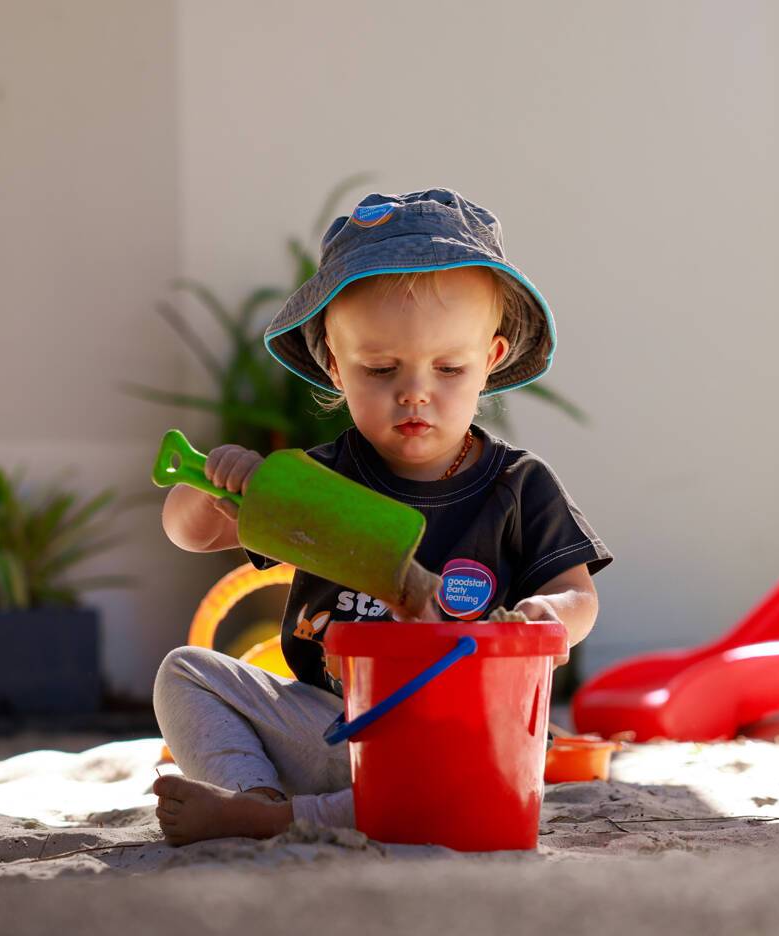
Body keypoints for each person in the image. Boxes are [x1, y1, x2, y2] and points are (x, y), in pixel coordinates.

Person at [152, 188, 612, 845]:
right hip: (327, 724)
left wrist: (549, 614)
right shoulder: (319, 484)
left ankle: (278, 819)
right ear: (335, 365)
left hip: (452, 731)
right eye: (380, 368)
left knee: (473, 775)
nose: (414, 392)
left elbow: (578, 596)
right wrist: (210, 487)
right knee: (185, 674)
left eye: (448, 368)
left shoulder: (519, 486)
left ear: (490, 361)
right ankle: (257, 794)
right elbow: (189, 534)